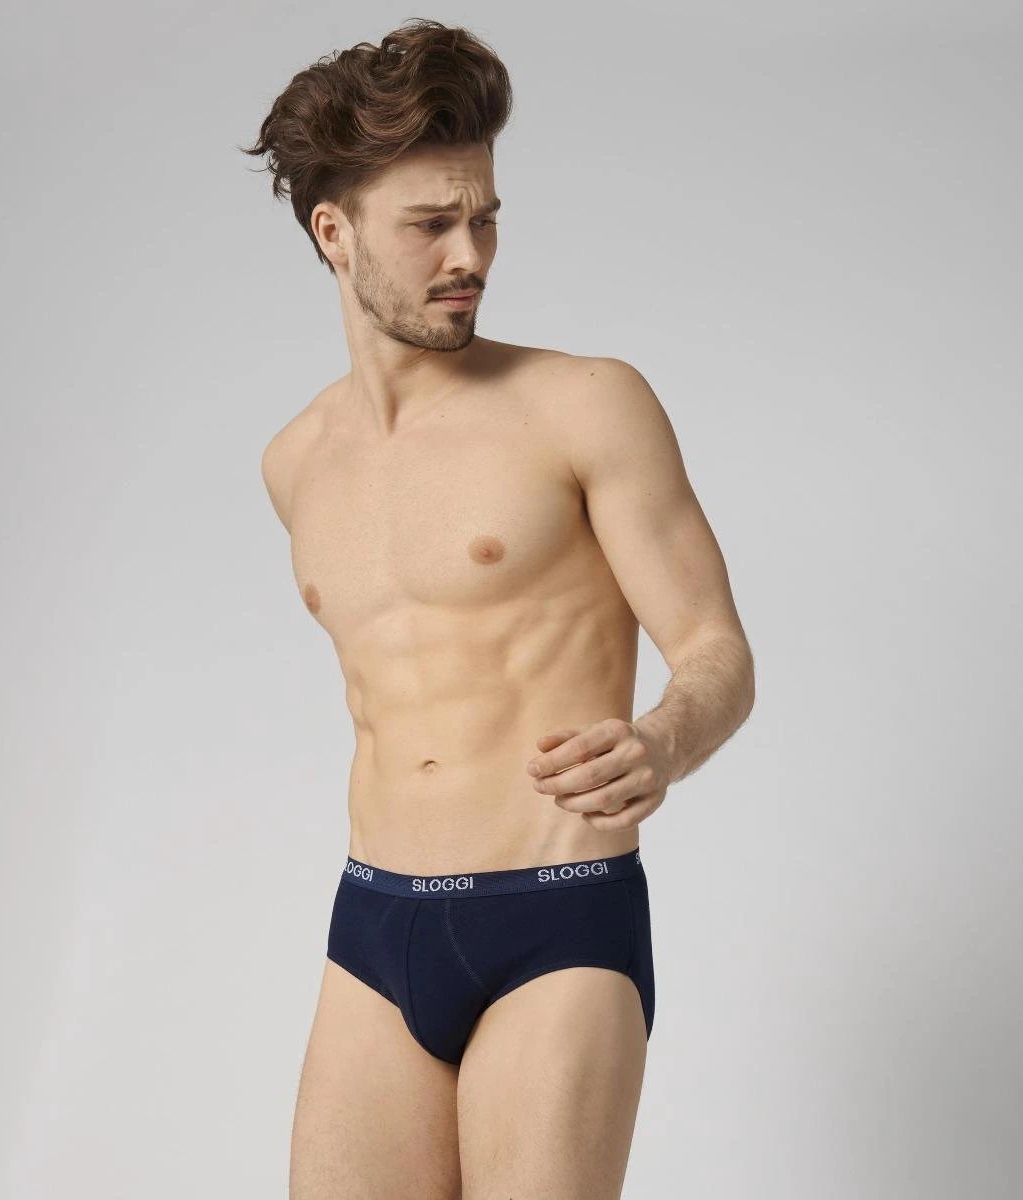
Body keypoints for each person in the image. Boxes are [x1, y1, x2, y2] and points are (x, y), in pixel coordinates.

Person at [243, 18, 755, 1200]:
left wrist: (665, 740)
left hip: (555, 917)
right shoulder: (294, 462)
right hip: (373, 925)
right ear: (333, 233)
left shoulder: (585, 404)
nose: (468, 252)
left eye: (484, 219)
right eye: (429, 224)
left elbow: (715, 647)